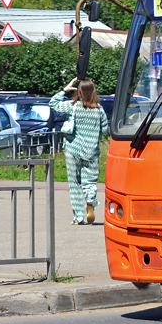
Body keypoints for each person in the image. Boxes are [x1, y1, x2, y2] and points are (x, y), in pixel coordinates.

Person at [50, 78, 110, 225]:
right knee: (89, 182)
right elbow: (104, 130)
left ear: (80, 92)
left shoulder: (72, 107)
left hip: (73, 149)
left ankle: (79, 217)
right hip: (91, 152)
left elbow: (53, 103)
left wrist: (65, 89)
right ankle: (90, 200)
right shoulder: (99, 110)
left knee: (74, 183)